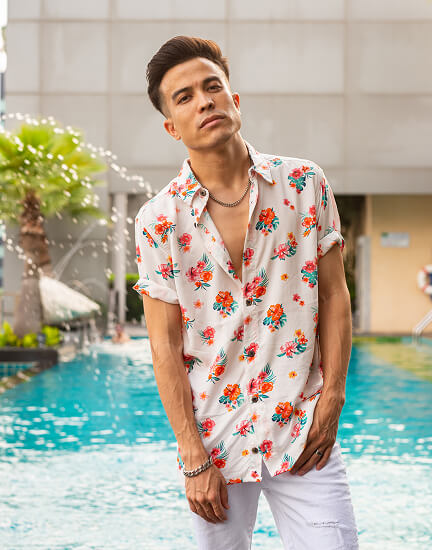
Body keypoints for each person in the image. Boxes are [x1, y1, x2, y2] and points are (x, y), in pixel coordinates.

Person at [133, 35, 359, 549]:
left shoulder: (304, 184)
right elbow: (164, 346)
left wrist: (332, 400)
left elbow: (334, 297)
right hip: (215, 445)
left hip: (303, 431)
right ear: (172, 127)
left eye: (213, 86)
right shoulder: (157, 221)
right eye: (185, 96)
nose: (205, 101)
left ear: (234, 99)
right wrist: (192, 456)